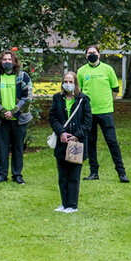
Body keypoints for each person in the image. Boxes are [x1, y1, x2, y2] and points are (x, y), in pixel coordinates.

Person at [76, 46, 129, 183]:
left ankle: (121, 172)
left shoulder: (108, 69)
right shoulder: (82, 71)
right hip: (88, 114)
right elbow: (79, 92)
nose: (92, 55)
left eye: (94, 53)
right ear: (85, 55)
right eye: (89, 53)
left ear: (99, 54)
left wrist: (107, 102)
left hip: (105, 112)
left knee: (112, 142)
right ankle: (94, 172)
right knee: (91, 143)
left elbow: (115, 89)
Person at [0, 50, 32, 183]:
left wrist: (14, 112)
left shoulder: (23, 77)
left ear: (14, 62)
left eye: (9, 59)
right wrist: (3, 112)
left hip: (20, 120)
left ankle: (17, 175)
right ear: (0, 62)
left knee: (18, 148)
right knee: (2, 149)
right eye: (4, 60)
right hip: (1, 119)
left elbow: (27, 97)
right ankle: (1, 175)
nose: (7, 62)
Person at [48, 70, 92, 212]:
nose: (67, 84)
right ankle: (64, 202)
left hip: (77, 142)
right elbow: (53, 118)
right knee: (62, 175)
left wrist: (77, 135)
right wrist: (61, 132)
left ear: (75, 83)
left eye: (70, 82)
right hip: (62, 141)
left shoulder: (83, 100)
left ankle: (72, 205)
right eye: (65, 82)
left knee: (73, 175)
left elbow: (87, 121)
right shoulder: (57, 99)